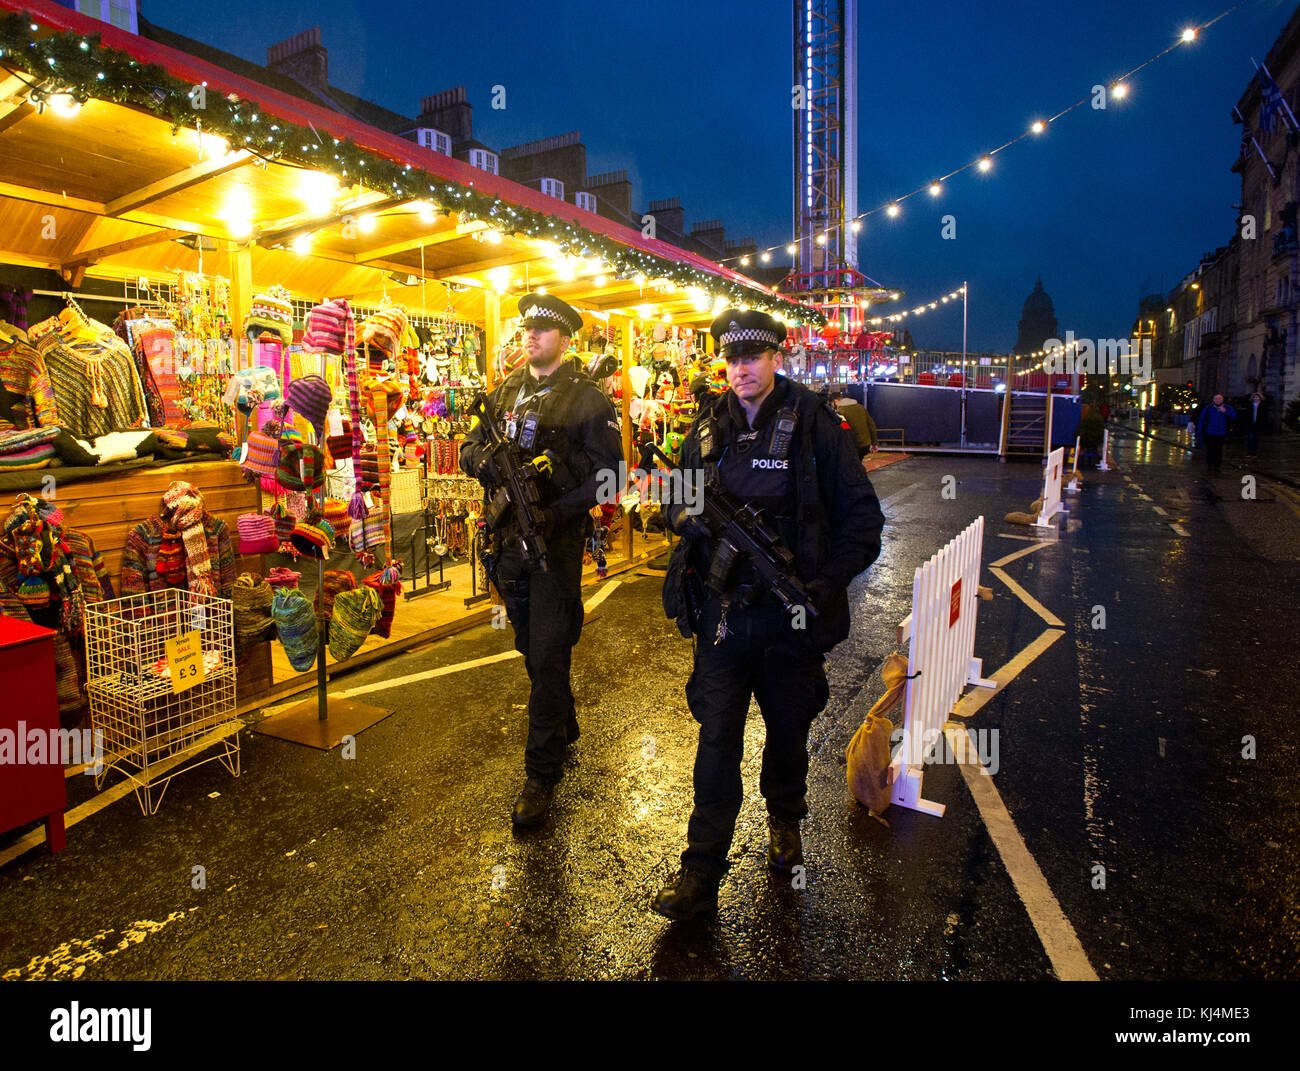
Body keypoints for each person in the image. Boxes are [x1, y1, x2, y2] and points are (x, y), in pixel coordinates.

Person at [651, 309, 885, 921]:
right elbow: (671, 498)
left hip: (791, 624)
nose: (740, 370)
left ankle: (785, 822)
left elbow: (864, 524)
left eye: (751, 357)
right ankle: (700, 871)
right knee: (716, 743)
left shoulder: (817, 425)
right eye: (730, 359)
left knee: (788, 734)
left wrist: (824, 586)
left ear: (778, 356)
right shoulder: (707, 424)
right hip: (724, 620)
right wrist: (685, 518)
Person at [460, 292, 623, 828]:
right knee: (529, 647)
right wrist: (483, 461)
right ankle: (563, 719)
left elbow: (611, 475)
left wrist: (557, 512)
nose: (531, 336)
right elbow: (468, 448)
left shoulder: (588, 401)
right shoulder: (506, 390)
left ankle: (541, 774)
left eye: (544, 330)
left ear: (566, 339)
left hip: (553, 546)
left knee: (549, 652)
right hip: (507, 544)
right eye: (528, 328)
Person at [1196, 392, 1236, 475]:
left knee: (1219, 449)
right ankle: (1210, 464)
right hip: (1209, 432)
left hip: (1222, 432)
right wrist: (1199, 430)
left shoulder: (1227, 407)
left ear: (1222, 399)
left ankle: (1217, 465)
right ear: (1213, 400)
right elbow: (1202, 419)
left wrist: (1225, 412)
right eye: (1216, 399)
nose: (1218, 400)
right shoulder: (1208, 408)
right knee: (1210, 449)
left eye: (1219, 399)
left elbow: (1234, 416)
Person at [830, 390, 877, 458]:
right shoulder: (861, 407)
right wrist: (874, 443)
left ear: (835, 401)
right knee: (858, 463)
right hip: (865, 444)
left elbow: (845, 429)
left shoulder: (840, 412)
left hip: (852, 445)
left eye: (831, 403)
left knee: (852, 466)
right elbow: (871, 425)